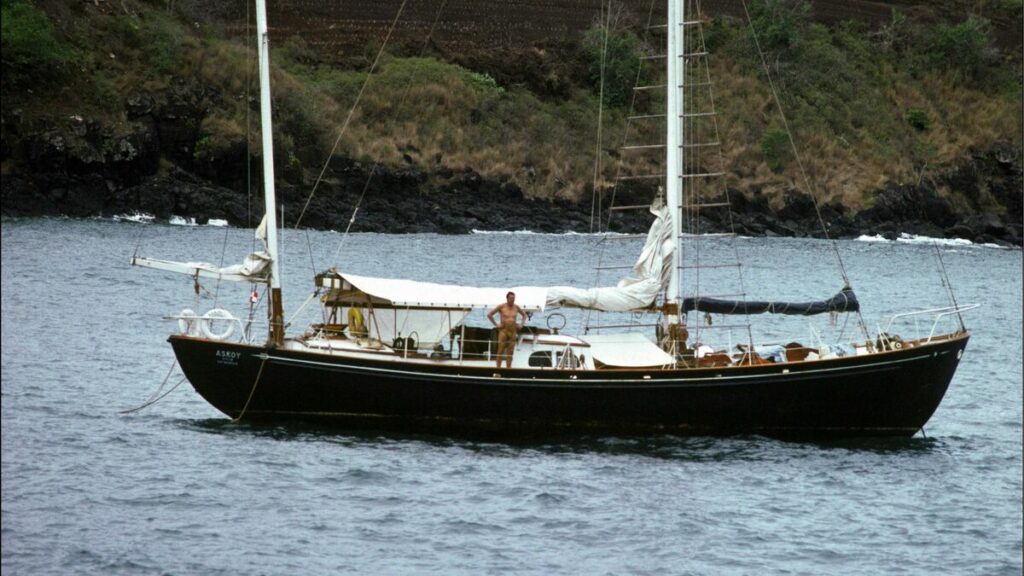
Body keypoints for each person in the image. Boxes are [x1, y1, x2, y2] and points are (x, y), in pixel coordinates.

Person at [487, 291, 527, 368]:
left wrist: (521, 324)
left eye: (514, 298)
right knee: (500, 351)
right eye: (511, 298)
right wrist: (496, 324)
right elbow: (489, 315)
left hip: (513, 332)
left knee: (510, 352)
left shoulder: (516, 307)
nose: (512, 300)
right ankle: (498, 369)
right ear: (507, 298)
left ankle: (508, 369)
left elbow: (524, 315)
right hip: (503, 331)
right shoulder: (502, 306)